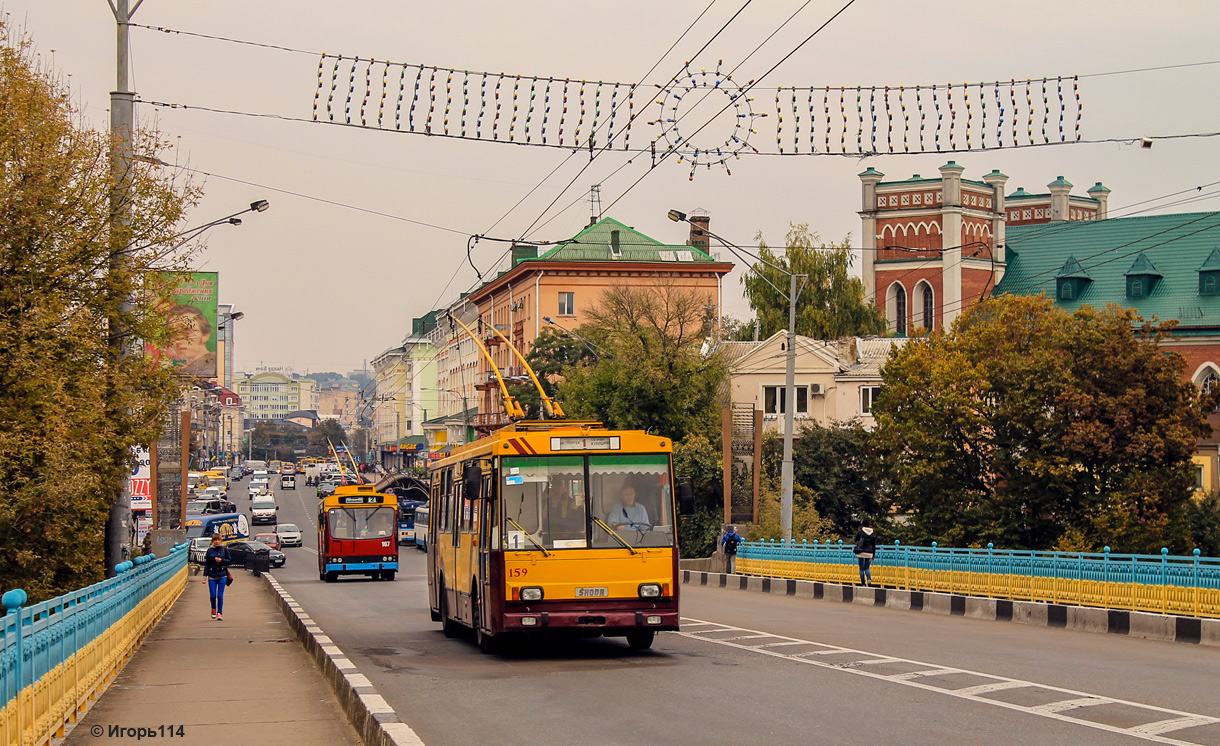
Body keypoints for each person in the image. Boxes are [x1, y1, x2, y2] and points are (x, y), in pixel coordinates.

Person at [203, 534, 232, 621]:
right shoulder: (210, 551)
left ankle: (220, 613)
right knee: (212, 595)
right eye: (215, 540)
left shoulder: (224, 549)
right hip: (212, 575)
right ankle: (213, 608)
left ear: (221, 541)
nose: (217, 542)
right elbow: (207, 564)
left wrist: (222, 560)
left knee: (220, 595)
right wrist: (204, 576)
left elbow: (229, 561)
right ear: (212, 541)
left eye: (218, 540)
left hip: (222, 574)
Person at [853, 518, 878, 587]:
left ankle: (863, 584)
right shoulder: (873, 532)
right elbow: (874, 545)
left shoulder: (860, 532)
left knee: (861, 568)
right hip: (869, 553)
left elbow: (856, 540)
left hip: (861, 552)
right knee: (867, 568)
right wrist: (873, 555)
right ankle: (869, 580)